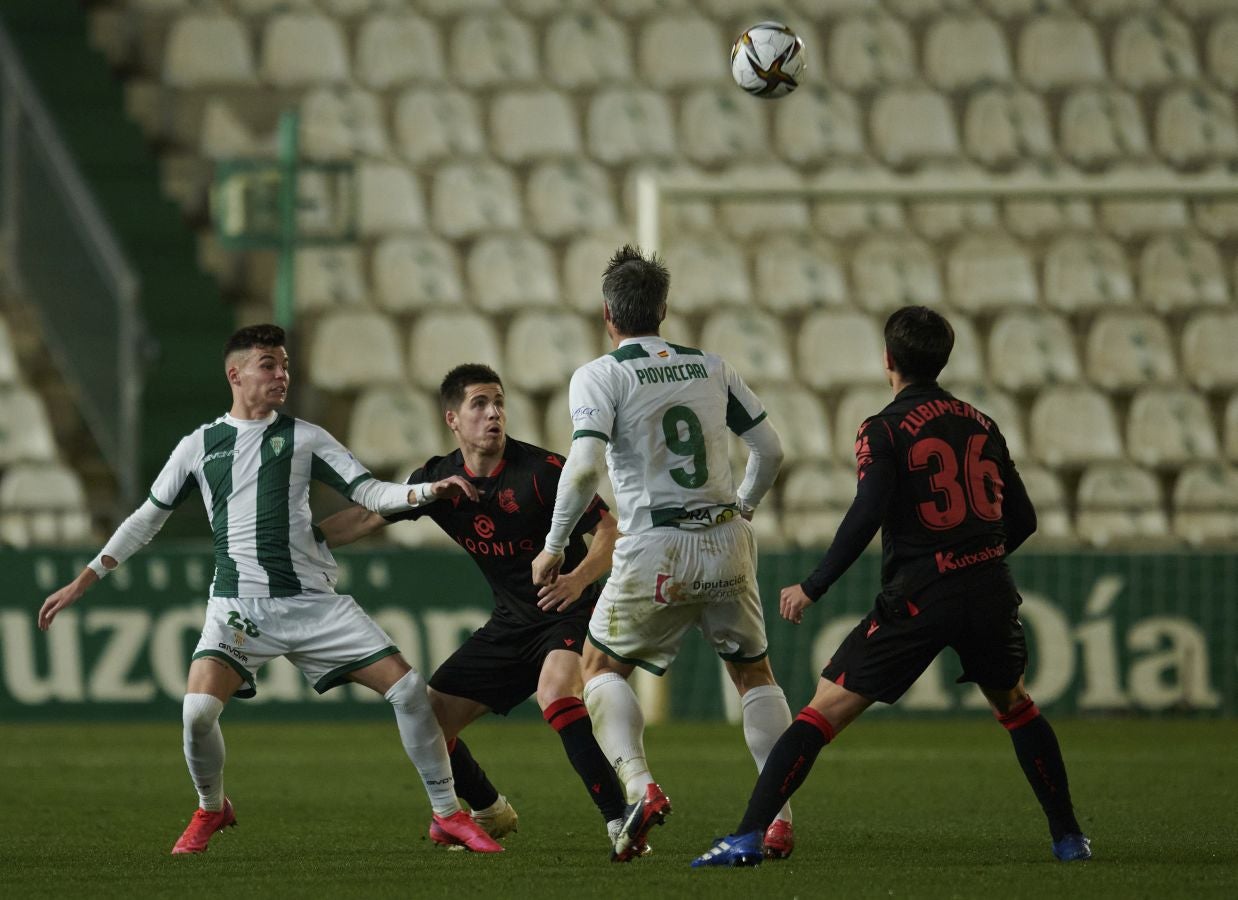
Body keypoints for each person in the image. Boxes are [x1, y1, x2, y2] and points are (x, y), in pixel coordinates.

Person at [37, 324, 502, 856]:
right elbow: (147, 518)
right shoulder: (199, 446)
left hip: (313, 604)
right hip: (239, 609)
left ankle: (447, 815)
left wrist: (424, 491)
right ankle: (212, 808)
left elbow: (368, 491)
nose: (281, 374)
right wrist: (85, 577)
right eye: (268, 364)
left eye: (284, 364)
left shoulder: (306, 437)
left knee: (410, 692)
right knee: (195, 714)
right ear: (236, 374)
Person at [692, 306, 1091, 868]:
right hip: (990, 587)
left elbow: (866, 513)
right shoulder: (981, 422)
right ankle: (1069, 838)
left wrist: (813, 585)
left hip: (922, 594)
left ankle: (748, 836)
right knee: (1016, 705)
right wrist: (976, 557)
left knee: (822, 710)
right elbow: (1020, 519)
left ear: (888, 360)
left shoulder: (883, 428)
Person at [531, 244, 795, 863]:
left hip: (656, 542)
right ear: (664, 309)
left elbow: (583, 468)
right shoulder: (712, 367)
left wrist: (552, 548)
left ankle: (641, 787)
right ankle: (778, 819)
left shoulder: (600, 375)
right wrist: (745, 505)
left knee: (598, 670)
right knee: (754, 673)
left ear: (607, 313)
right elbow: (772, 450)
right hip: (727, 537)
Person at [315, 363, 633, 853]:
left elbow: (609, 533)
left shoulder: (543, 472)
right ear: (453, 420)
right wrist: (301, 541)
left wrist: (577, 579)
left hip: (568, 612)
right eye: (479, 405)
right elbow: (365, 516)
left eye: (499, 403)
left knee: (554, 694)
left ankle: (620, 822)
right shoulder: (439, 480)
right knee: (428, 721)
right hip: (510, 625)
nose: (493, 414)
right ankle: (487, 807)